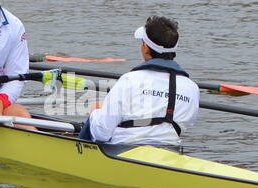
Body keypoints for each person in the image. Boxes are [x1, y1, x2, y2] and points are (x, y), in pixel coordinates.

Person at [76, 16, 200, 148]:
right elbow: (187, 123)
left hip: (123, 151)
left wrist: (96, 115)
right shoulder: (192, 88)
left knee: (96, 116)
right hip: (169, 151)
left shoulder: (130, 80)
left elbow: (101, 133)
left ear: (145, 48)